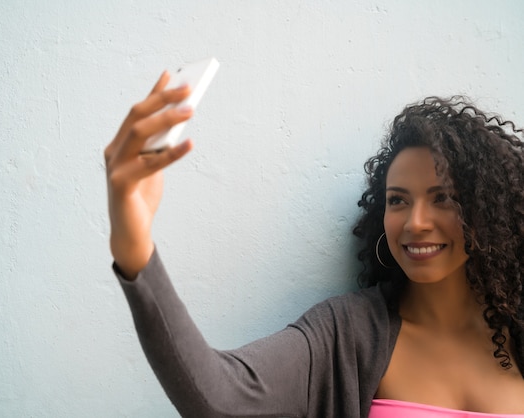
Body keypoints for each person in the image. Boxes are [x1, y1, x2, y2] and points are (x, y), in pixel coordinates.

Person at [105, 71, 524, 417]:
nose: (415, 222)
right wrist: (134, 244)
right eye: (398, 200)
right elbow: (219, 397)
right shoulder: (346, 333)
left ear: (486, 210)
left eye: (442, 198)